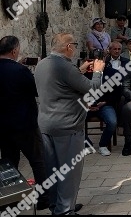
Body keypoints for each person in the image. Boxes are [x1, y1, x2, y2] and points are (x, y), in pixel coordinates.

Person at [35, 33, 105, 215]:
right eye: (74, 44)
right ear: (68, 47)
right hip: (67, 126)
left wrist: (80, 71)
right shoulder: (65, 67)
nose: (75, 47)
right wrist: (98, 71)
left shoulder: (42, 64)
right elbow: (94, 89)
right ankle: (65, 210)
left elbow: (60, 83)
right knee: (69, 171)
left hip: (46, 125)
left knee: (52, 170)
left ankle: (56, 206)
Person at [0, 36, 51, 210]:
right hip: (25, 124)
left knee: (9, 163)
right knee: (38, 161)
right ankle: (44, 198)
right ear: (14, 50)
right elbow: (37, 91)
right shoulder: (20, 71)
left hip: (3, 126)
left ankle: (10, 200)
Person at [91, 41, 129, 156]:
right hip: (87, 104)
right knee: (74, 120)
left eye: (101, 60)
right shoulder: (87, 73)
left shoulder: (112, 73)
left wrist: (106, 102)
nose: (99, 63)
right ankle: (86, 143)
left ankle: (103, 145)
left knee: (112, 122)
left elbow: (117, 92)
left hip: (105, 104)